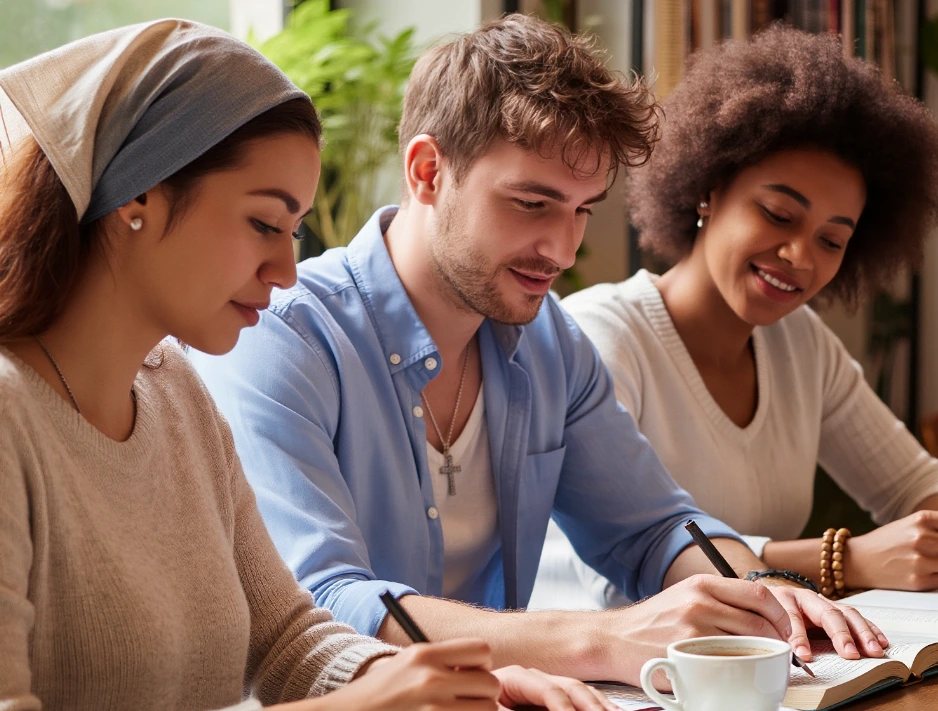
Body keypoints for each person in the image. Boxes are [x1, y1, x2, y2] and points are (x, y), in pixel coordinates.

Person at [188, 14, 887, 688]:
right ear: (428, 171)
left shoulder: (550, 341)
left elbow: (654, 526)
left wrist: (763, 593)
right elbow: (324, 605)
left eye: (582, 209)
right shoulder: (281, 337)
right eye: (532, 203)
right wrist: (602, 639)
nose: (563, 249)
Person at [0, 19, 611, 711]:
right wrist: (361, 705)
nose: (287, 270)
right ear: (139, 195)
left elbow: (288, 638)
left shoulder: (179, 400)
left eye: (294, 233)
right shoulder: (11, 417)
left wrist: (460, 684)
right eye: (265, 223)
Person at [540, 25, 938, 612]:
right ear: (709, 189)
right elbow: (620, 572)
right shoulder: (600, 334)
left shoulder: (800, 346)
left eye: (832, 240)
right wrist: (841, 559)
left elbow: (914, 485)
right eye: (777, 213)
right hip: (614, 678)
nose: (801, 256)